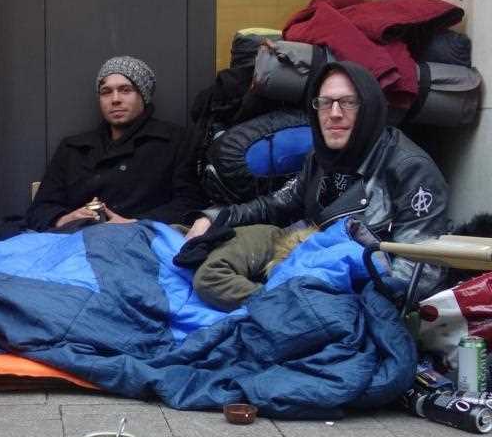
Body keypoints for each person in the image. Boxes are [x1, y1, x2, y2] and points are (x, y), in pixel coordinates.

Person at [184, 60, 450, 298]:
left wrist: (332, 300)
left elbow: (418, 270)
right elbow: (276, 204)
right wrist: (214, 217)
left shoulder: (409, 168)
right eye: (325, 102)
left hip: (355, 290)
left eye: (348, 102)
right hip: (307, 263)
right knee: (185, 242)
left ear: (369, 107)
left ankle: (271, 302)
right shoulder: (321, 157)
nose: (334, 113)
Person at [25, 56, 205, 231]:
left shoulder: (176, 141)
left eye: (125, 90)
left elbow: (190, 203)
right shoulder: (73, 148)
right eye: (106, 91)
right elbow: (40, 209)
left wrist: (135, 223)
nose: (115, 99)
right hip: (73, 241)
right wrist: (65, 218)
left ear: (143, 96)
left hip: (141, 243)